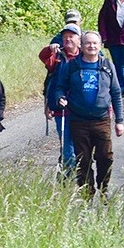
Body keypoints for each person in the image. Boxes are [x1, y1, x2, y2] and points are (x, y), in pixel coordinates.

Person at [55, 30, 124, 199]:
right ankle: (87, 193)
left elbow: (116, 93)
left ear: (100, 45)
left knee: (105, 157)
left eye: (95, 43)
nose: (91, 46)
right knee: (82, 160)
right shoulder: (72, 66)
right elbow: (59, 87)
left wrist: (119, 121)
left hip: (101, 120)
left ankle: (103, 186)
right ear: (81, 45)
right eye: (88, 43)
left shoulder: (107, 66)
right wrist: (60, 97)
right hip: (78, 121)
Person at [40, 26, 81, 174]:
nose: (67, 39)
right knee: (67, 145)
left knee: (82, 146)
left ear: (79, 39)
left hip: (83, 109)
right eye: (65, 37)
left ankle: (80, 174)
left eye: (71, 36)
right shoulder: (57, 56)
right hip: (62, 109)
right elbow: (43, 57)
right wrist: (50, 49)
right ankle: (69, 176)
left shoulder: (86, 55)